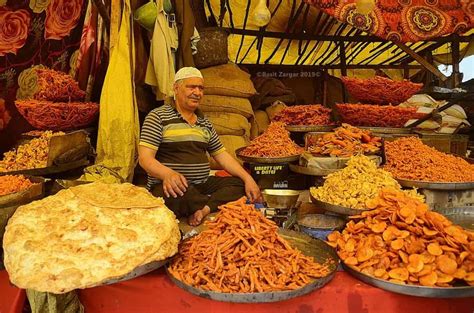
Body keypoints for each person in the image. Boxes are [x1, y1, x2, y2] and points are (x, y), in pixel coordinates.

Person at [138, 67, 261, 226]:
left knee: (239, 185)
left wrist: (248, 178)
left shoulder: (204, 123)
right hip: (172, 187)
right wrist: (167, 174)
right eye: (191, 87)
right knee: (176, 196)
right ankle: (208, 203)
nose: (197, 92)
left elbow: (222, 156)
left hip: (201, 184)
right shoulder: (157, 116)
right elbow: (145, 158)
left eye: (201, 88)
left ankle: (203, 209)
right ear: (176, 88)